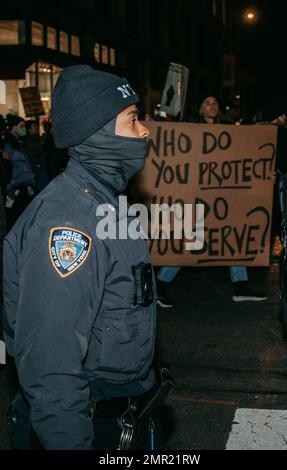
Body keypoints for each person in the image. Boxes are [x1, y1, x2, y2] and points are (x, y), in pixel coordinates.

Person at [3, 65, 171, 450]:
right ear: (98, 134)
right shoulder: (68, 225)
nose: (144, 131)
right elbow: (51, 365)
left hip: (127, 413)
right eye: (132, 120)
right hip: (91, 427)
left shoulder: (107, 201)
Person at [199, 95, 267, 302]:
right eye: (208, 103)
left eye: (215, 103)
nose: (213, 106)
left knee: (232, 235)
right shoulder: (190, 129)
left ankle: (240, 286)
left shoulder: (231, 131)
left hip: (224, 195)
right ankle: (162, 284)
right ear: (200, 109)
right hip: (199, 196)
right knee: (191, 239)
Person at [3, 114, 36, 229]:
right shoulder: (7, 147)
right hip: (15, 191)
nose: (24, 129)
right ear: (14, 128)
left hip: (24, 189)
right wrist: (10, 188)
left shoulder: (19, 144)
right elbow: (8, 169)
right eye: (21, 126)